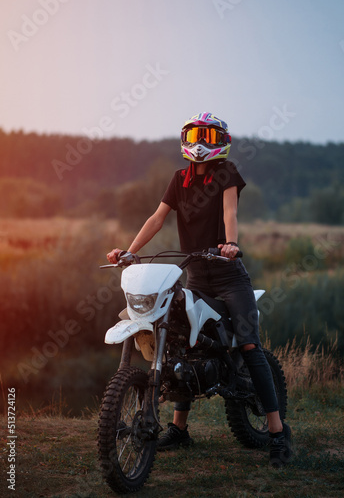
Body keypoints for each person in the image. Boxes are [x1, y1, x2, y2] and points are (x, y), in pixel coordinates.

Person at [107, 112, 292, 467]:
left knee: (249, 344)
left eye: (208, 135)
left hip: (228, 274)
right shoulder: (179, 180)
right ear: (184, 139)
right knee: (180, 341)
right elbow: (157, 218)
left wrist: (231, 244)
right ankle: (179, 429)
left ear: (221, 140)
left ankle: (277, 432)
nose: (200, 142)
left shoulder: (227, 174)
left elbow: (229, 214)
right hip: (195, 276)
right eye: (194, 134)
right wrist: (130, 251)